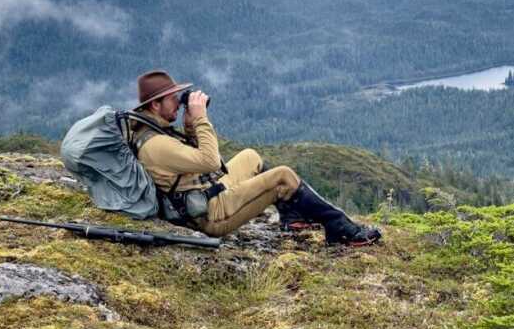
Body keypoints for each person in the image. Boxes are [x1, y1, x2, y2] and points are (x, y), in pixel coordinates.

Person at [130, 70, 381, 247]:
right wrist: (200, 118)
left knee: (251, 156)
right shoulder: (157, 144)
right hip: (209, 214)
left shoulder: (154, 131)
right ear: (155, 105)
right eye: (173, 98)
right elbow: (210, 161)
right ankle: (341, 229)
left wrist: (190, 128)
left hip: (203, 194)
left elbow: (191, 161)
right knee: (283, 176)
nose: (178, 101)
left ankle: (292, 217)